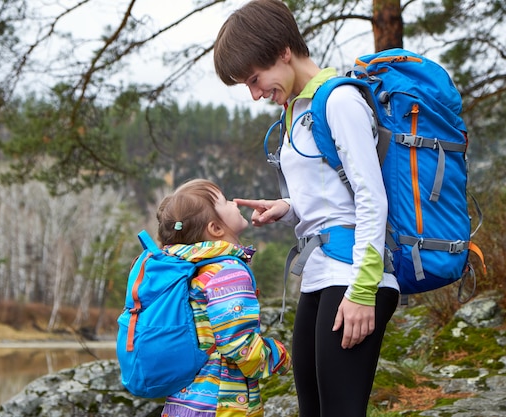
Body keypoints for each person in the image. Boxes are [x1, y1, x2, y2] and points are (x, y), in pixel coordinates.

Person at [213, 1, 400, 416]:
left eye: (254, 79)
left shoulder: (339, 102)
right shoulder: (299, 110)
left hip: (354, 276)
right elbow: (335, 195)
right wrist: (288, 207)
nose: (255, 93)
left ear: (283, 51)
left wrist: (364, 289)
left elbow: (372, 196)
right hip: (320, 276)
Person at [156, 178, 291, 417]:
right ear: (215, 229)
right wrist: (277, 356)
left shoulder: (187, 268)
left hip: (185, 398)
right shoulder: (227, 272)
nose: (233, 202)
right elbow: (237, 342)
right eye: (224, 201)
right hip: (221, 401)